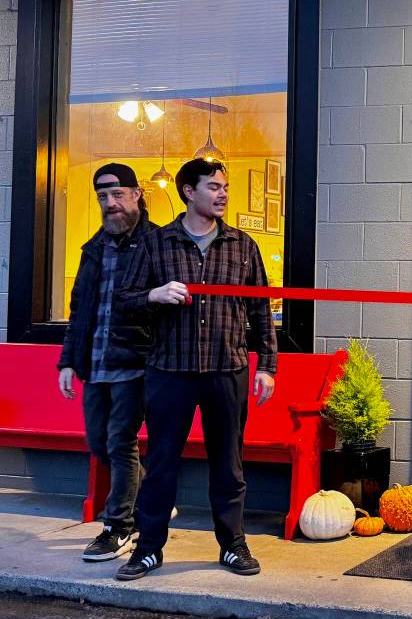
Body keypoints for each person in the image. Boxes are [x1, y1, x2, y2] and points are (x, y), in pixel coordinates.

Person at [113, 158, 277, 581]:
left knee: (229, 464)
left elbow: (260, 309)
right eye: (214, 187)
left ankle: (233, 545)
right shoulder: (155, 244)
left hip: (227, 369)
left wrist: (267, 366)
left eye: (225, 187)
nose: (223, 194)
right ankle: (148, 550)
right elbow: (123, 302)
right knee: (162, 463)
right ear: (189, 191)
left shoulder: (243, 246)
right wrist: (154, 295)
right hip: (170, 370)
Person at [57, 163, 159, 561]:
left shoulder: (156, 243)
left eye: (118, 194)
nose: (110, 203)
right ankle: (147, 498)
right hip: (96, 365)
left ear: (137, 195)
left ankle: (119, 527)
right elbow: (79, 311)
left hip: (135, 364)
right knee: (99, 442)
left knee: (119, 441)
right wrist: (68, 361)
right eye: (103, 196)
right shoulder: (93, 248)